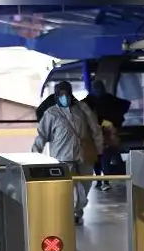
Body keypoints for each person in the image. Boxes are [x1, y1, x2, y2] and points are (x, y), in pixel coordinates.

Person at [32, 81, 103, 225]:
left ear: (71, 94)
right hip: (62, 158)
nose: (64, 97)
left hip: (83, 156)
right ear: (56, 96)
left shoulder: (82, 109)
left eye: (66, 94)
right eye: (61, 95)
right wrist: (34, 155)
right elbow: (42, 136)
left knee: (85, 186)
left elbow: (95, 129)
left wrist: (99, 149)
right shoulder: (51, 113)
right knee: (69, 188)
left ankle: (78, 210)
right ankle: (71, 213)